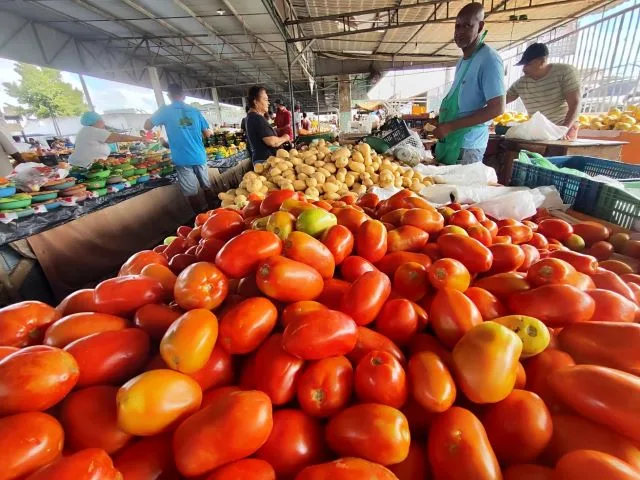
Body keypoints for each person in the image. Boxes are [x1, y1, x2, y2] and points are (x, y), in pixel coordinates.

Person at [433, 3, 506, 165]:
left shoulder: (489, 59)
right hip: (452, 141)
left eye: (467, 26)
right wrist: (443, 120)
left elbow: (497, 107)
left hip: (469, 145)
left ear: (480, 26)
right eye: (457, 26)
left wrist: (450, 126)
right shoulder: (462, 62)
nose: (460, 32)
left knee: (462, 189)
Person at [144, 83, 215, 213]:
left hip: (182, 159)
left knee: (191, 193)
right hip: (199, 155)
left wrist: (158, 114)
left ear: (169, 96)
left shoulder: (165, 111)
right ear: (183, 95)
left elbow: (147, 126)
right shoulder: (194, 111)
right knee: (207, 187)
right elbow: (207, 133)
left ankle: (200, 220)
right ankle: (214, 213)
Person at [506, 43, 581, 133]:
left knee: (558, 147)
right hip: (539, 131)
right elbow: (501, 101)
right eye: (524, 65)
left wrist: (563, 129)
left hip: (565, 128)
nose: (524, 69)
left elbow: (575, 104)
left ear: (542, 61)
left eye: (528, 64)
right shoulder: (521, 83)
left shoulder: (564, 72)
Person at [69, 112, 146, 169]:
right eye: (102, 121)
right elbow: (120, 137)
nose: (104, 123)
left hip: (79, 165)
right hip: (86, 166)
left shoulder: (85, 130)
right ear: (96, 122)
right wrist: (140, 138)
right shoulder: (94, 130)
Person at [245, 86, 290, 165]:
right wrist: (285, 137)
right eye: (265, 99)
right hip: (265, 161)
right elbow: (272, 142)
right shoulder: (257, 118)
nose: (268, 103)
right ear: (255, 101)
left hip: (261, 159)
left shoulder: (251, 117)